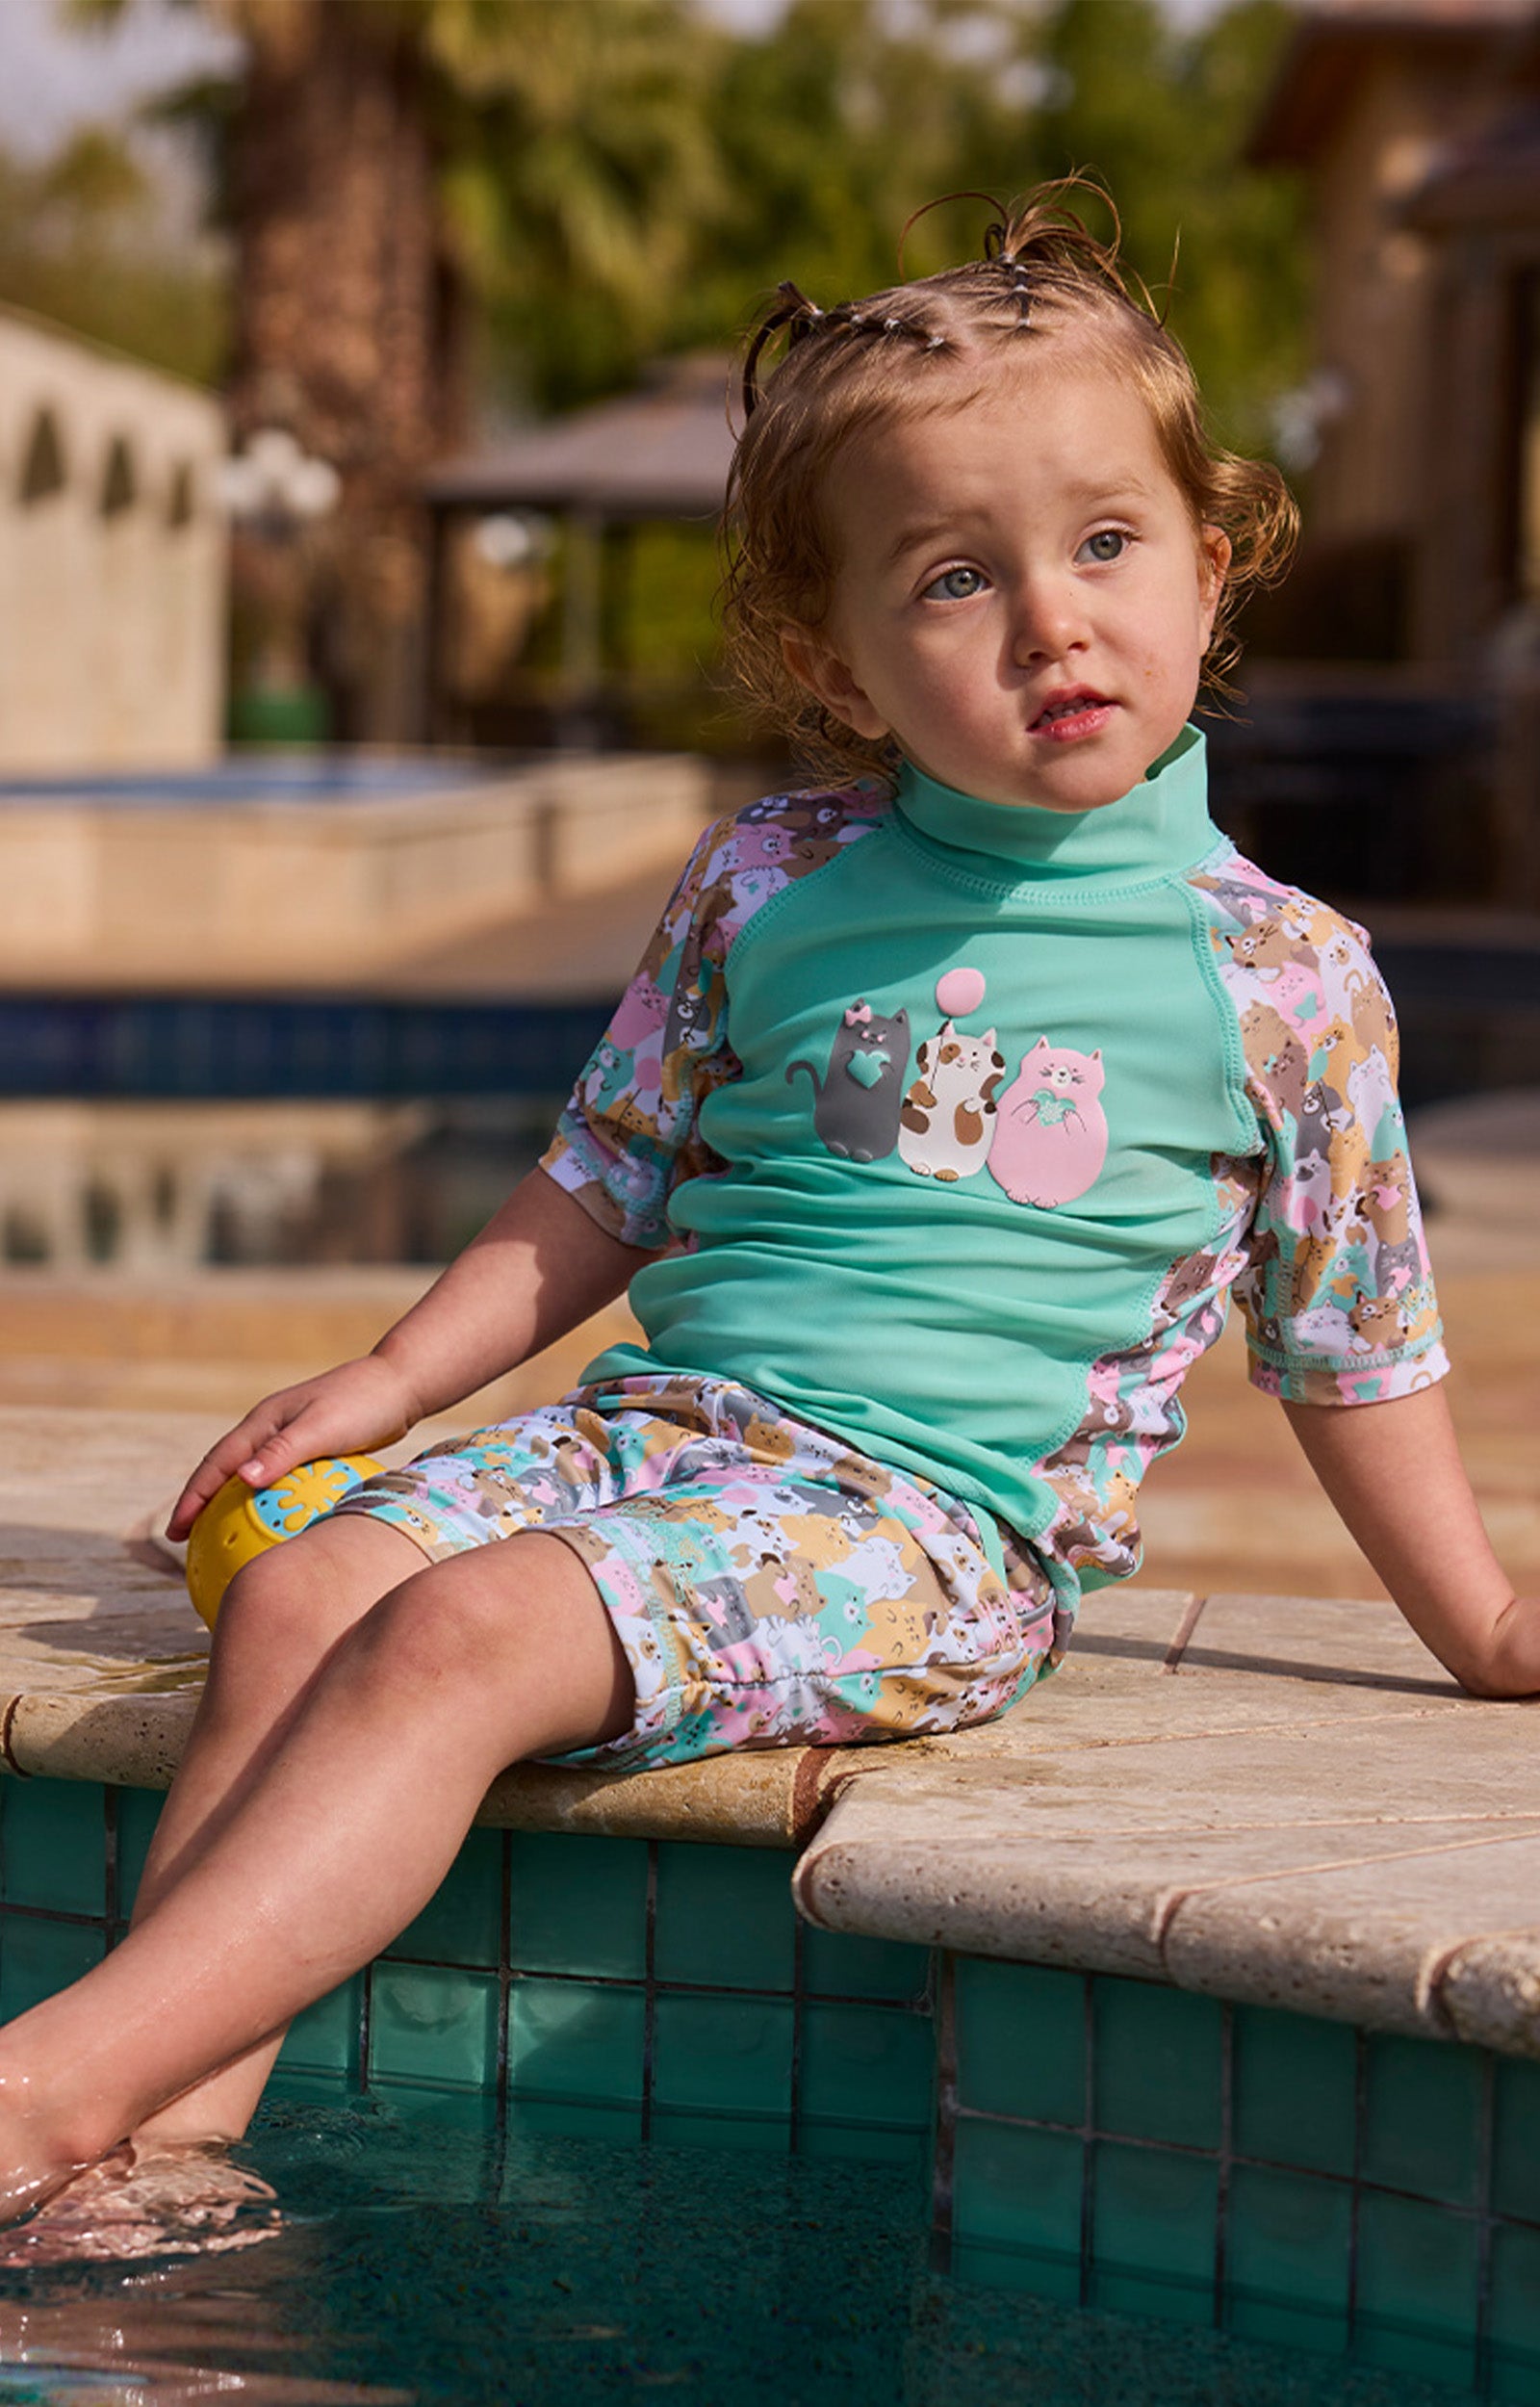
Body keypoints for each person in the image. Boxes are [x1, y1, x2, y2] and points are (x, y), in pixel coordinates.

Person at [1, 183, 1533, 2236]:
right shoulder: (771, 879)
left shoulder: (1273, 973)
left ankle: (45, 2081)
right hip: (668, 1444)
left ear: (1207, 562)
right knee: (303, 1589)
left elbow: (1347, 1347)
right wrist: (385, 1378)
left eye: (1103, 545)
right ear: (838, 652)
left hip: (925, 1524)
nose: (1049, 621)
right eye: (952, 578)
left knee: (459, 1629)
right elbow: (596, 1182)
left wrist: (1488, 1620)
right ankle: (166, 2160)